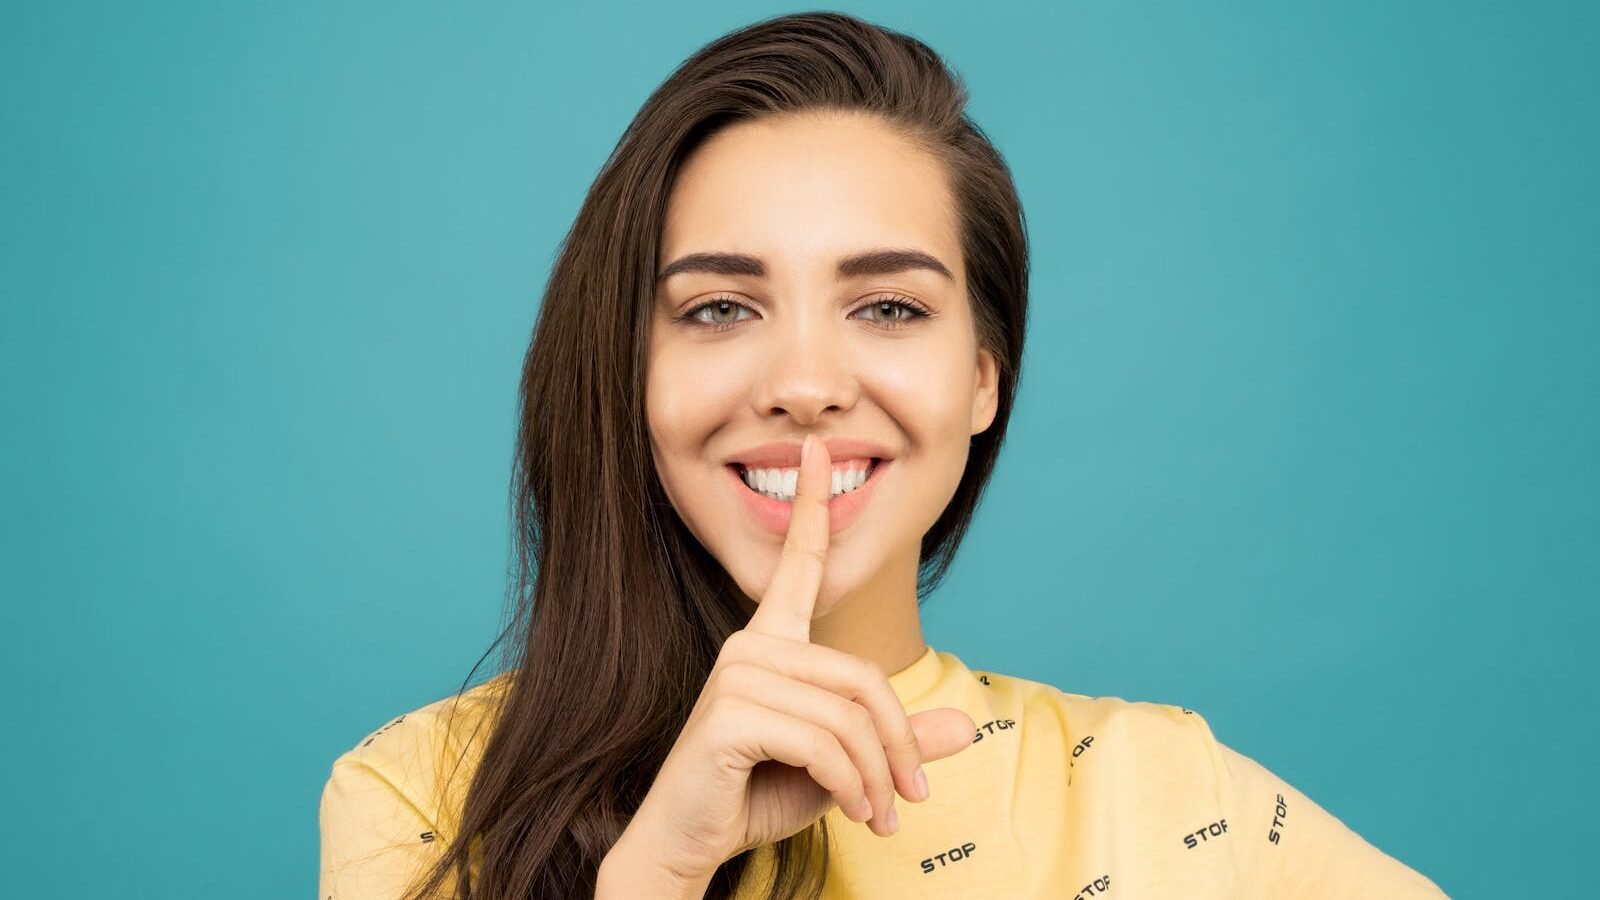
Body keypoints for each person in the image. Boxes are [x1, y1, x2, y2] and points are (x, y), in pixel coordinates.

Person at [318, 11, 1449, 899]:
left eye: (890, 308)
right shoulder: (419, 796)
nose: (804, 385)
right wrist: (655, 876)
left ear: (982, 379)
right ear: (627, 370)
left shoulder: (1165, 793)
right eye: (717, 308)